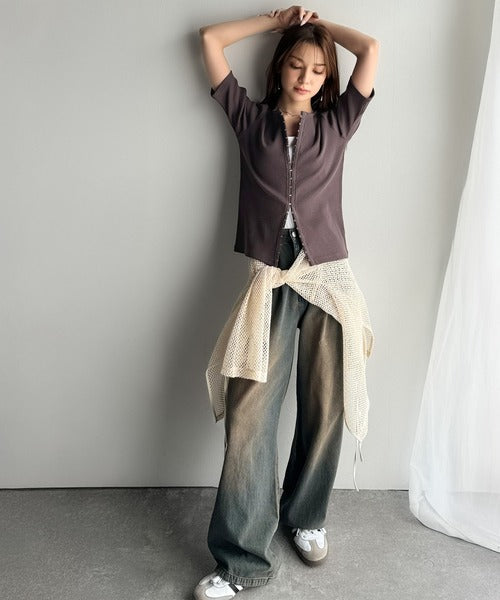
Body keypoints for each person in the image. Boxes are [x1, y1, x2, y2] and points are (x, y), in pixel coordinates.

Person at [195, 6, 379, 599]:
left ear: (328, 78)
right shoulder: (248, 118)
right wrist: (276, 20)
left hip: (329, 279)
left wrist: (322, 27)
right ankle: (240, 562)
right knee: (249, 414)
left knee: (325, 406)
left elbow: (371, 49)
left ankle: (306, 516)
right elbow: (210, 39)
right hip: (270, 277)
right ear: (279, 68)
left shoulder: (339, 123)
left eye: (319, 70)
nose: (306, 77)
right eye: (297, 65)